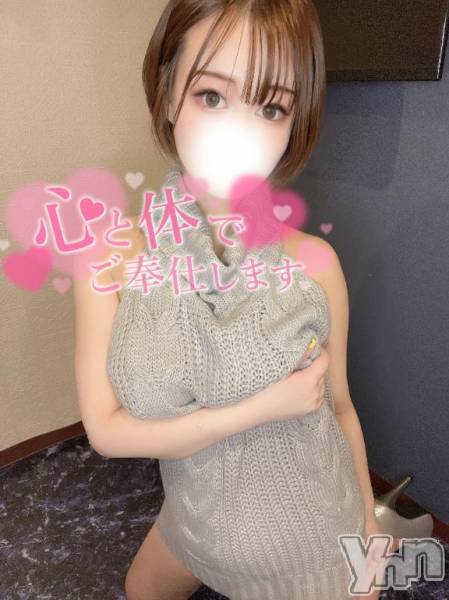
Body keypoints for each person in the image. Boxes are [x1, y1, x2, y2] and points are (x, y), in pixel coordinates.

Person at [74, 1, 391, 598]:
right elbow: (107, 432)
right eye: (212, 96)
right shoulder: (108, 257)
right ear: (169, 94)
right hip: (191, 520)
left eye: (270, 107)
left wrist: (366, 534)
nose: (239, 134)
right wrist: (263, 405)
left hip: (307, 544)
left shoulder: (314, 264)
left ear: (293, 122)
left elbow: (341, 409)